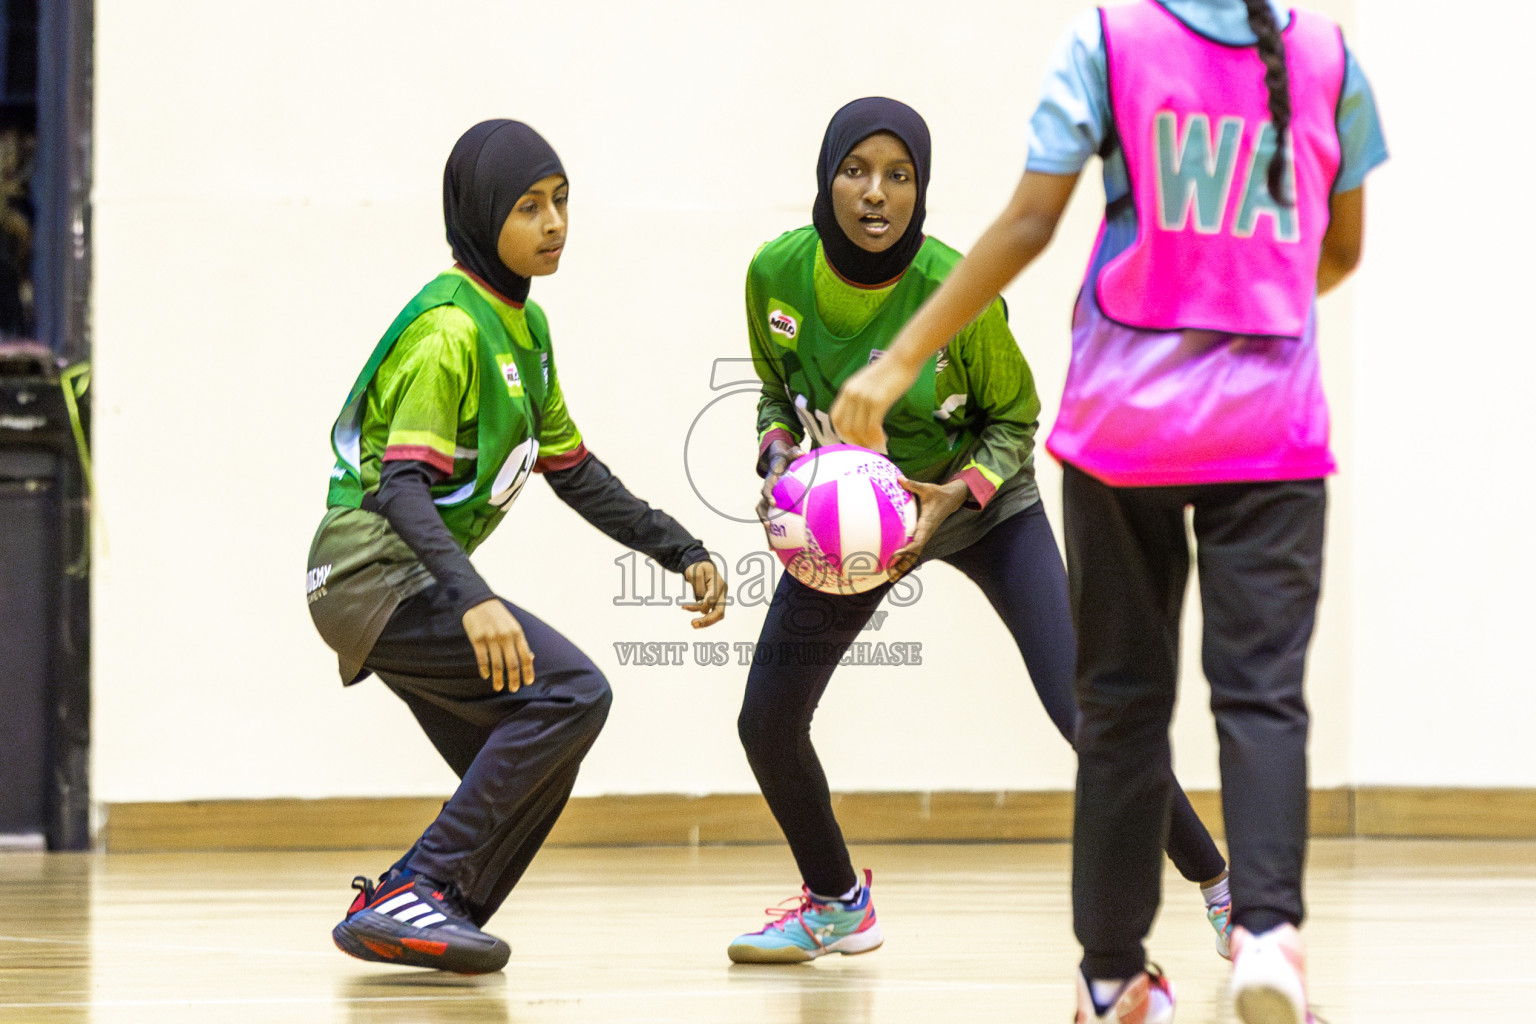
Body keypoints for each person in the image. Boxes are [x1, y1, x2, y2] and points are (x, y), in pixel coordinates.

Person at [830, 4, 1386, 1022]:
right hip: (1271, 427)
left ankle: (1114, 975)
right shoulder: (1330, 55)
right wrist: (1241, 292)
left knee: (1122, 699)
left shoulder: (1109, 41)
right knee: (1262, 695)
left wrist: (903, 354)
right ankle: (1266, 936)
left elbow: (1032, 219)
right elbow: (1341, 251)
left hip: (1126, 426)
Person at [727, 96, 1230, 966]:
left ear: (921, 189)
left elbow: (1016, 421)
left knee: (1086, 712)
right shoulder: (774, 273)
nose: (876, 193)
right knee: (766, 721)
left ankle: (1221, 887)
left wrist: (952, 498)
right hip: (859, 520)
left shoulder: (952, 289)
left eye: (900, 175)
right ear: (826, 177)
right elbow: (777, 391)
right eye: (856, 171)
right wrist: (778, 453)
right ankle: (837, 903)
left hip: (985, 509)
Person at [306, 119, 727, 974]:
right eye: (530, 206)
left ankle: (432, 908)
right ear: (481, 213)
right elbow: (399, 486)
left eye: (563, 201)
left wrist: (682, 550)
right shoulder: (452, 331)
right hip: (368, 570)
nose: (554, 223)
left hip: (398, 575)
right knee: (573, 691)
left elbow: (575, 472)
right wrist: (477, 600)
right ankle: (413, 890)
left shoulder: (523, 334)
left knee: (542, 752)